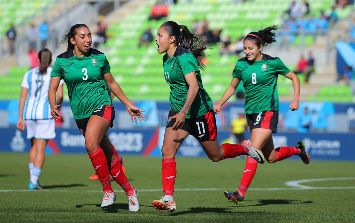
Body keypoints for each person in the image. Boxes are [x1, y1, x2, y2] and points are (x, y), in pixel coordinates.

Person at [151, 21, 265, 212]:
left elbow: (194, 86)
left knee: (216, 155)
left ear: (171, 39)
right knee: (167, 151)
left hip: (199, 113)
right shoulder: (166, 59)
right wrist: (180, 111)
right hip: (179, 112)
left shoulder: (184, 58)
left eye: (160, 35)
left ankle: (246, 149)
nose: (156, 39)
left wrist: (184, 111)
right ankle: (168, 197)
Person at [48, 24, 142, 212]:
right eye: (82, 36)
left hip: (102, 105)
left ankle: (108, 191)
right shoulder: (61, 61)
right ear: (73, 40)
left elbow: (112, 83)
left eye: (89, 35)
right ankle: (131, 192)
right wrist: (53, 105)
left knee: (91, 143)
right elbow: (52, 88)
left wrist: (128, 103)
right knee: (108, 156)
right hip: (81, 114)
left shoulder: (99, 57)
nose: (88, 39)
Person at [214, 26, 310, 205]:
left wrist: (295, 100)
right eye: (245, 48)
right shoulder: (241, 64)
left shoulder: (273, 63)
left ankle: (240, 193)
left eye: (250, 48)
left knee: (252, 151)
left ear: (260, 48)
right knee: (271, 157)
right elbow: (232, 87)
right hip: (251, 114)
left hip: (267, 111)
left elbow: (295, 78)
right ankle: (299, 150)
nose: (247, 51)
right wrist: (220, 103)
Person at [17, 48, 64, 190]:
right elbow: (60, 95)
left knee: (33, 146)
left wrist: (20, 117)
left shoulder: (29, 74)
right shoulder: (54, 74)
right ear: (51, 61)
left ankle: (33, 180)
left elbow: (23, 97)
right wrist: (56, 108)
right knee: (41, 148)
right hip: (45, 115)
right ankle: (33, 181)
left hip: (30, 115)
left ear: (37, 60)